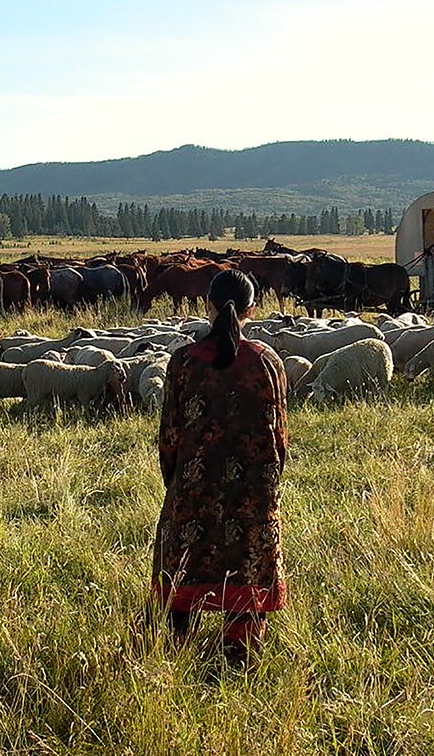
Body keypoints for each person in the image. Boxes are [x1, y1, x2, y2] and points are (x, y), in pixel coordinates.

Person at [151, 269, 289, 662]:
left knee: (183, 560)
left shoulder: (182, 362)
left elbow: (170, 433)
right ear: (252, 309)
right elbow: (278, 434)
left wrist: (177, 481)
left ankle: (177, 649)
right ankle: (239, 650)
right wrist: (268, 483)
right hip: (252, 495)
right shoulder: (267, 363)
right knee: (246, 561)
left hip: (194, 488)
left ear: (208, 305)